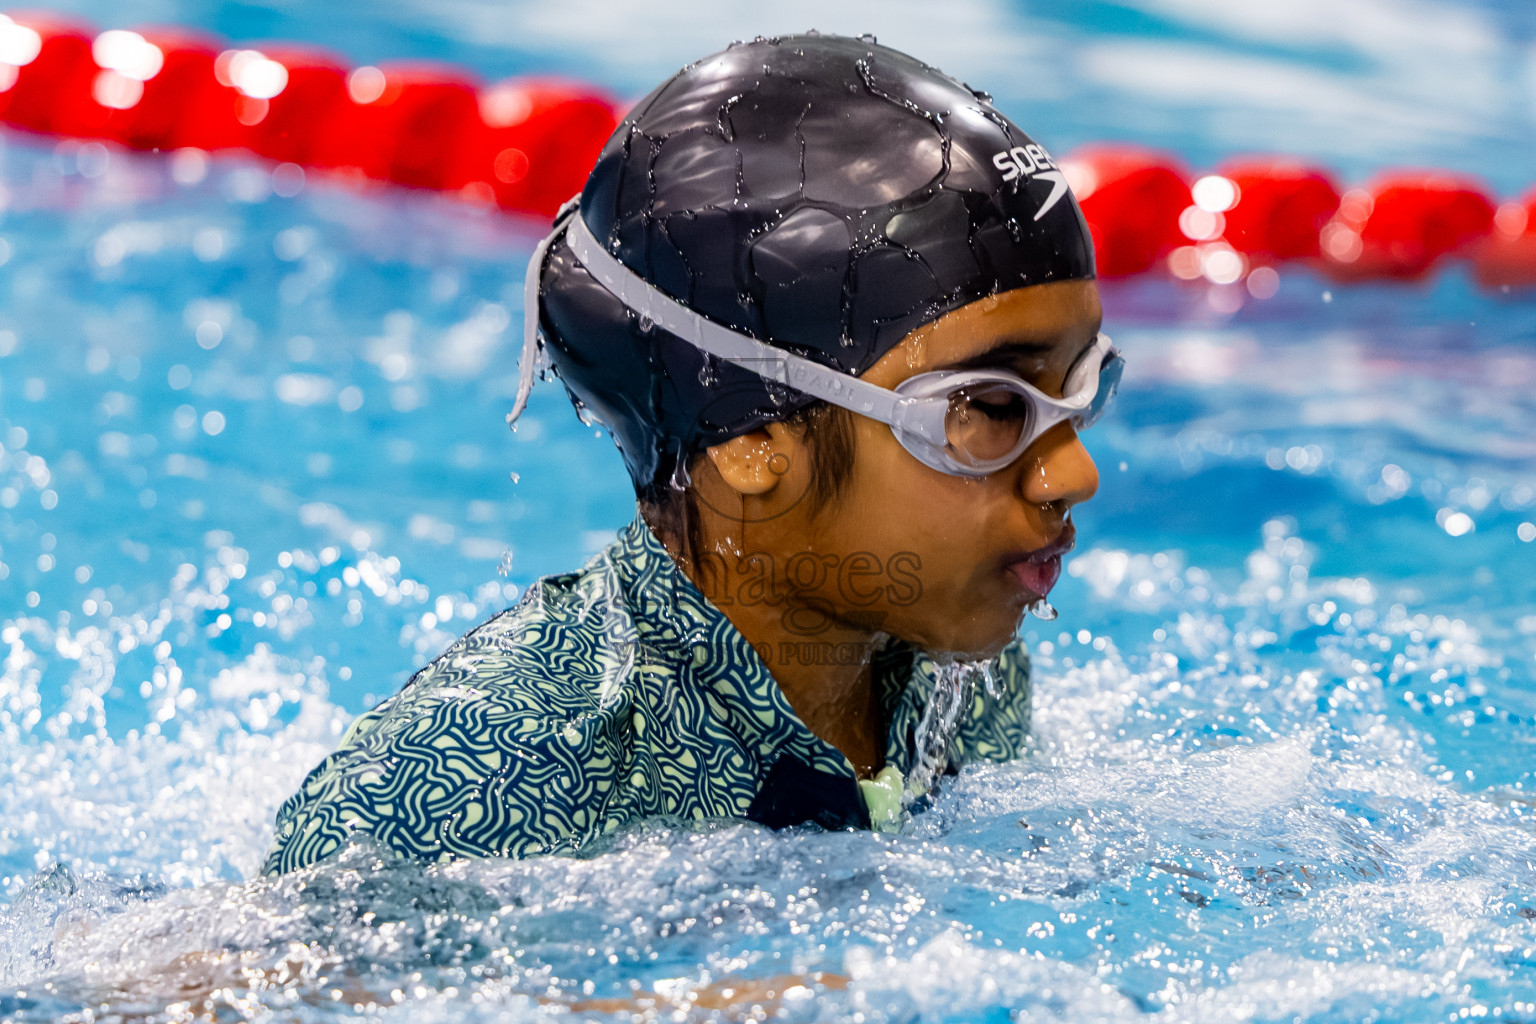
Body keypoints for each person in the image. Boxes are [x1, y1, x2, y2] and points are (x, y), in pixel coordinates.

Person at [263, 32, 1117, 873]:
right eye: (991, 409)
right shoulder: (467, 787)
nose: (1073, 473)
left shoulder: (958, 676)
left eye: (1082, 385)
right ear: (750, 443)